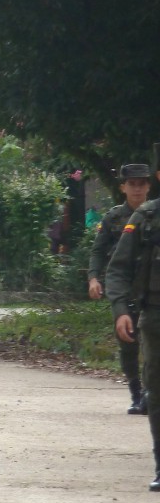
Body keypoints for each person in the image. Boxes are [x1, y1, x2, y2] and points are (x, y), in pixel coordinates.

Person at [106, 162, 160, 491]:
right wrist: (121, 309)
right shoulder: (146, 218)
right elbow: (119, 268)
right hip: (155, 314)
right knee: (156, 389)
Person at [89, 163, 152, 414]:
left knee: (152, 343)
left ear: (149, 186)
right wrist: (94, 278)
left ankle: (149, 393)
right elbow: (98, 251)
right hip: (123, 289)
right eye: (132, 184)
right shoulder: (114, 217)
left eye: (142, 184)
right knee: (127, 343)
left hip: (150, 288)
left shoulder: (155, 215)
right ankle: (136, 392)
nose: (137, 189)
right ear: (123, 187)